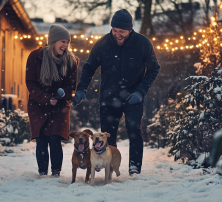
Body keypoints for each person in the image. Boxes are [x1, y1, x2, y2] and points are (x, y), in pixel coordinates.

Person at [71, 9, 160, 175]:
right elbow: (89, 67)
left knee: (134, 131)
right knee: (108, 135)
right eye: (115, 30)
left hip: (133, 96)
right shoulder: (102, 44)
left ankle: (134, 168)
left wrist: (141, 92)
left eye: (122, 31)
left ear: (130, 30)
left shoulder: (143, 44)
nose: (118, 34)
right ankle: (109, 167)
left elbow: (154, 69)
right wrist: (82, 88)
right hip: (109, 98)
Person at [26, 24, 78, 177]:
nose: (65, 45)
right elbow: (31, 83)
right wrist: (46, 98)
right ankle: (42, 172)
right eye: (62, 41)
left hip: (59, 107)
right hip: (38, 104)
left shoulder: (71, 61)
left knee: (55, 138)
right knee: (41, 139)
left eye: (67, 42)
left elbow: (71, 85)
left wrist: (61, 96)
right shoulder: (36, 57)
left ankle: (56, 172)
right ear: (53, 41)